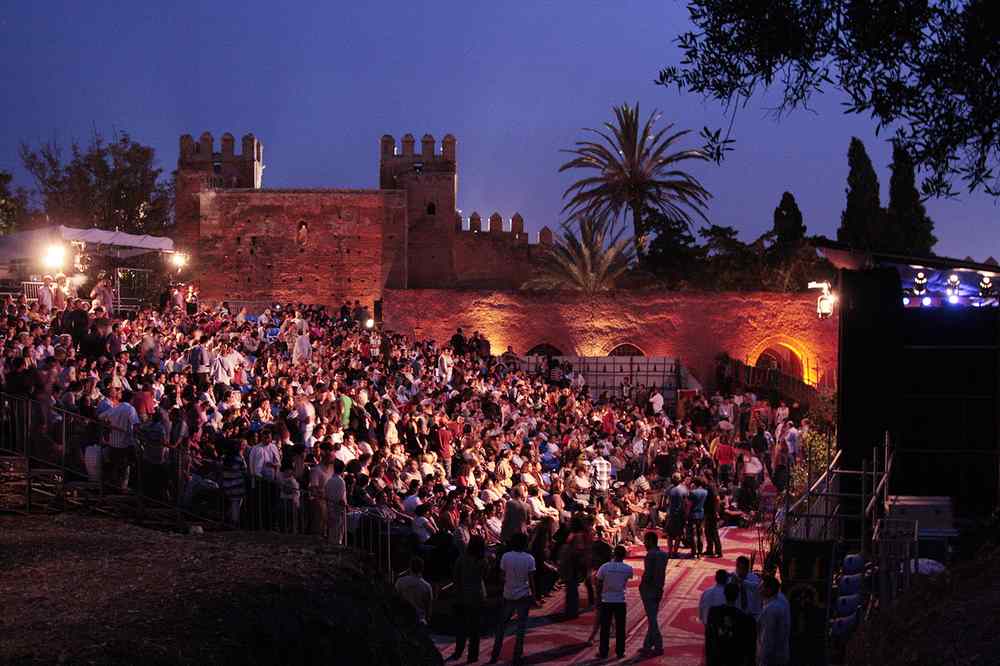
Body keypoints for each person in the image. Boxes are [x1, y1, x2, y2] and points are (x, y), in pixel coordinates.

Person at [488, 532, 536, 666]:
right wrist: (535, 596)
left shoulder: (506, 556)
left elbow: (502, 576)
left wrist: (509, 581)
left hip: (508, 594)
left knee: (501, 627)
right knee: (521, 628)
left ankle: (495, 654)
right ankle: (517, 655)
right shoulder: (529, 559)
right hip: (523, 595)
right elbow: (531, 580)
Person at [449, 536, 487, 663]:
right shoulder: (483, 561)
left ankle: (458, 651)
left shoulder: (461, 559)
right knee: (475, 629)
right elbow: (485, 575)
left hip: (462, 595)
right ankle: (473, 655)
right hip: (477, 595)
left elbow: (455, 577)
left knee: (461, 627)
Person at [595, 544, 633, 660]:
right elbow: (628, 579)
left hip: (606, 600)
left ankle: (603, 652)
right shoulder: (627, 569)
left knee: (605, 628)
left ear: (613, 554)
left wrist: (598, 598)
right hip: (620, 600)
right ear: (624, 555)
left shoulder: (604, 567)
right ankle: (620, 652)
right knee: (620, 628)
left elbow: (599, 583)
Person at [706, 582, 755, 666]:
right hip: (734, 657)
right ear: (737, 595)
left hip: (717, 656)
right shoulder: (745, 618)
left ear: (724, 593)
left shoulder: (713, 612)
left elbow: (708, 636)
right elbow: (748, 644)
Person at [638, 531, 669, 657]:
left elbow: (648, 574)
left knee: (652, 620)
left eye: (645, 541)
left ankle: (659, 645)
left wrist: (642, 585)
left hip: (649, 589)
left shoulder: (650, 555)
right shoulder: (663, 554)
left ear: (650, 541)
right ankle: (647, 645)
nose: (644, 544)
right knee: (652, 617)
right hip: (659, 588)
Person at [756, 576, 790, 666]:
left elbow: (767, 638)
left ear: (769, 590)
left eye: (762, 586)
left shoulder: (771, 609)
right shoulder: (780, 601)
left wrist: (762, 659)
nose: (759, 589)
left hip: (771, 658)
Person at [396, 556, 434, 625]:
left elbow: (396, 598)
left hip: (403, 619)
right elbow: (428, 608)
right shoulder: (427, 586)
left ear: (410, 567)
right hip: (420, 620)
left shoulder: (400, 581)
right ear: (422, 569)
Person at [324, 458, 348, 545]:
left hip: (330, 508)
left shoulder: (329, 480)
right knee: (338, 534)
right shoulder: (341, 482)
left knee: (331, 532)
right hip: (338, 510)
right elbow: (342, 497)